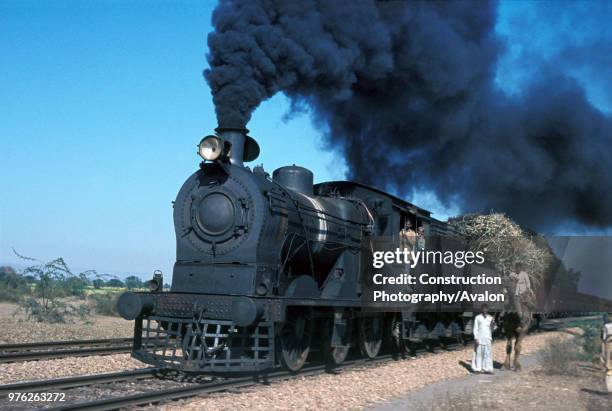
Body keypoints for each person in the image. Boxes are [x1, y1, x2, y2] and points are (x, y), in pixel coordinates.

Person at [472, 303, 496, 373]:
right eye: (483, 309)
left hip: (488, 338)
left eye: (486, 309)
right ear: (481, 309)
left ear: (488, 309)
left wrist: (493, 323)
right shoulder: (477, 317)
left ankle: (488, 369)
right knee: (478, 353)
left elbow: (493, 329)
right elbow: (475, 328)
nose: (484, 310)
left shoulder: (490, 318)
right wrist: (476, 338)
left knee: (487, 354)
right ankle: (478, 369)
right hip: (479, 338)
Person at [603, 313, 612, 392]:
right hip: (609, 345)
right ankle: (610, 387)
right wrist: (603, 352)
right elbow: (604, 339)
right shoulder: (607, 326)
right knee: (609, 364)